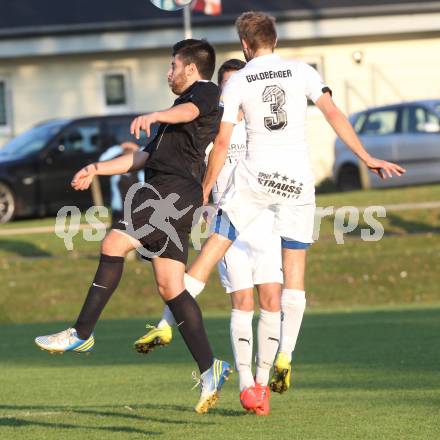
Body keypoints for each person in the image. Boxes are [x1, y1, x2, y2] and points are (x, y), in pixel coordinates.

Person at [161, 12, 406, 401]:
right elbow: (333, 114)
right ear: (274, 39)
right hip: (297, 181)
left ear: (245, 45)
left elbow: (222, 144)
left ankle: (164, 321)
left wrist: (205, 188)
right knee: (294, 273)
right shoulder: (302, 71)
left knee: (213, 249)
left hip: (256, 178)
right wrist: (366, 155)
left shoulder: (238, 80)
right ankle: (286, 354)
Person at [35, 38, 231, 414]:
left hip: (168, 193)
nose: (168, 72)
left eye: (173, 65)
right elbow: (141, 157)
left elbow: (190, 112)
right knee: (171, 286)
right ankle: (210, 368)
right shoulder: (176, 109)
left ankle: (81, 333)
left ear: (191, 68)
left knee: (112, 243)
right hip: (170, 191)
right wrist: (95, 168)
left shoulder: (205, 92)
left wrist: (156, 115)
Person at [134, 59, 283, 415]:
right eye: (228, 87)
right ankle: (247, 385)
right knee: (242, 302)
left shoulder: (262, 130)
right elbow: (189, 162)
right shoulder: (212, 130)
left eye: (239, 85)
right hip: (227, 219)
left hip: (265, 221)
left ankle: (263, 380)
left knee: (272, 299)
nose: (234, 94)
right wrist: (199, 195)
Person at [99, 141, 144, 228]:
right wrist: (120, 148)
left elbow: (151, 155)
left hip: (139, 213)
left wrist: (137, 148)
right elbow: (102, 160)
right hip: (120, 214)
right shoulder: (116, 175)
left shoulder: (141, 173)